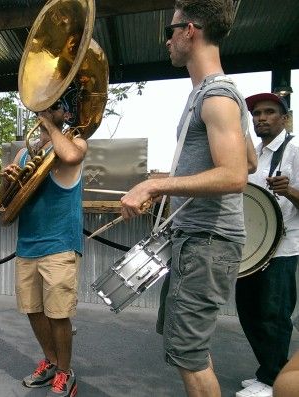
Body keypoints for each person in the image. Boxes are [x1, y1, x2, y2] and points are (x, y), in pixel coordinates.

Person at [120, 1, 250, 396]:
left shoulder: (217, 96)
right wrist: (166, 178)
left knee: (189, 356)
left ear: (189, 31)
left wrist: (155, 186)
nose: (167, 41)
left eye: (170, 31)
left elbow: (235, 174)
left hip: (206, 244)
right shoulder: (210, 95)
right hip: (195, 241)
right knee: (187, 351)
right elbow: (250, 157)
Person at [0, 87, 86, 397]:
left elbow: (71, 155)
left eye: (54, 108)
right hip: (28, 244)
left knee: (58, 314)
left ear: (66, 114)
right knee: (33, 310)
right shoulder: (25, 152)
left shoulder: (75, 142)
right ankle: (50, 362)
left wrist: (49, 126)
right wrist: (7, 179)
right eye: (42, 108)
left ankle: (66, 371)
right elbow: (5, 202)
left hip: (60, 243)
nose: (45, 112)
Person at [235, 93, 298, 397]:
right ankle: (268, 370)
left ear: (284, 118)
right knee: (248, 310)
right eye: (257, 113)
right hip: (253, 251)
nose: (261, 118)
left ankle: (274, 381)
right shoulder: (254, 154)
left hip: (284, 248)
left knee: (273, 316)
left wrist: (291, 191)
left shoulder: (295, 150)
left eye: (269, 112)